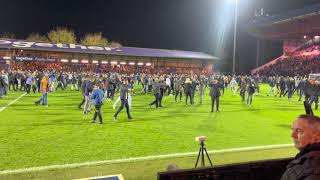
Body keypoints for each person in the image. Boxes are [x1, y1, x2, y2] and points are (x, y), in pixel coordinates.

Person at [280, 115, 320, 180]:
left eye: (299, 131)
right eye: (293, 130)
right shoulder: (306, 158)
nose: (292, 135)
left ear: (318, 137)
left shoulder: (313, 169)